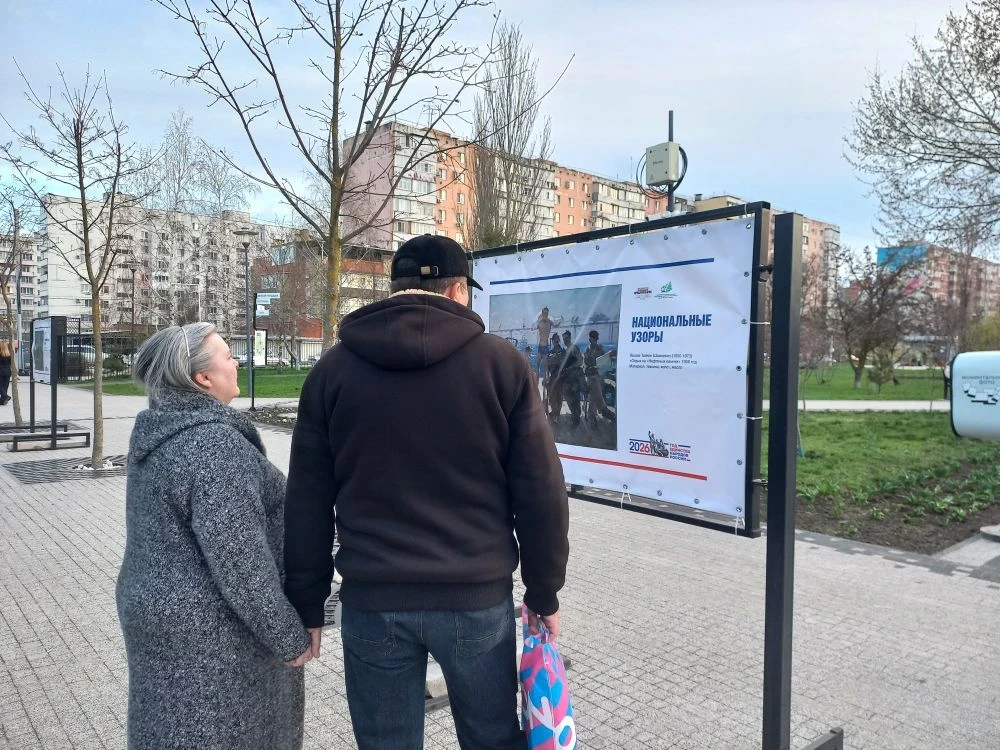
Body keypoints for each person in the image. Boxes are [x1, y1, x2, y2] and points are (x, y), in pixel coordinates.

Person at [284, 234, 570, 750]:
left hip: (373, 600)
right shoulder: (501, 365)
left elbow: (307, 501)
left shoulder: (331, 373)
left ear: (394, 287)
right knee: (492, 740)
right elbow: (541, 492)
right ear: (459, 291)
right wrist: (543, 590)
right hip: (475, 598)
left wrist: (307, 604)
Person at [116, 323, 312, 750]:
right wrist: (287, 636)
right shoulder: (212, 446)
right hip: (212, 635)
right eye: (227, 355)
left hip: (163, 618)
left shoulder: (162, 433)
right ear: (202, 377)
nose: (236, 361)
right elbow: (240, 562)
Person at [583, 330, 613, 424]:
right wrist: (589, 368)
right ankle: (603, 410)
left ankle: (593, 415)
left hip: (598, 376)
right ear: (590, 339)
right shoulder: (587, 350)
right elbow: (585, 365)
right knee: (593, 384)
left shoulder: (600, 350)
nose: (595, 341)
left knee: (594, 386)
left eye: (596, 339)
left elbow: (604, 364)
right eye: (593, 339)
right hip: (591, 377)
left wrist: (596, 367)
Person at [560, 330, 585, 426]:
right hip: (567, 377)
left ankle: (576, 418)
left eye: (566, 338)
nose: (565, 340)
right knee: (567, 396)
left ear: (570, 338)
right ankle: (575, 416)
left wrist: (570, 368)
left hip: (574, 377)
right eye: (564, 338)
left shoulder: (574, 348)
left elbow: (580, 361)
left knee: (575, 397)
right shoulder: (565, 350)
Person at [534, 306, 563, 378]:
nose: (545, 314)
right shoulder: (540, 321)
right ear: (542, 313)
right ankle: (536, 380)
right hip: (540, 345)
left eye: (546, 313)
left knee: (545, 366)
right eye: (544, 313)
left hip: (545, 345)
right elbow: (534, 327)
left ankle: (545, 381)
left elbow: (555, 325)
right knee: (537, 365)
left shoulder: (549, 322)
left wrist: (560, 321)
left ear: (547, 313)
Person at [544, 332, 565, 420]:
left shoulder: (563, 351)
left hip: (561, 377)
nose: (555, 341)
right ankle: (554, 411)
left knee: (559, 396)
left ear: (559, 340)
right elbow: (547, 365)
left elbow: (563, 363)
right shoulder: (550, 352)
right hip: (552, 377)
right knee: (552, 395)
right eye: (554, 340)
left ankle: (557, 413)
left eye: (557, 340)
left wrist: (554, 359)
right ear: (552, 341)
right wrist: (546, 377)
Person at [0, 341, 11, 405]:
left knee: (1, 386)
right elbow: (11, 364)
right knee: (5, 386)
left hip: (1, 372)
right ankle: (3, 401)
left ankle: (6, 397)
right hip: (8, 372)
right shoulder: (9, 355)